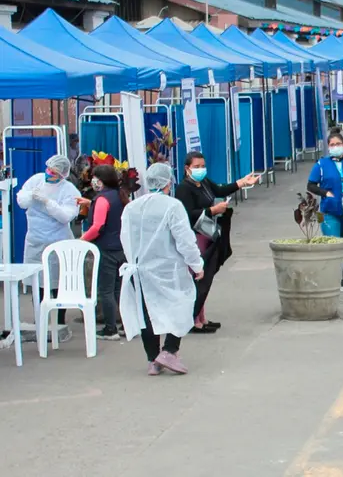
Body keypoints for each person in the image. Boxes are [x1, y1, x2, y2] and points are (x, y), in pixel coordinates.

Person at [119, 163, 205, 376]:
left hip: (140, 269)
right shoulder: (172, 206)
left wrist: (134, 262)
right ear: (169, 182)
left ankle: (153, 359)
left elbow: (125, 238)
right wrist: (196, 264)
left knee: (147, 313)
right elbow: (184, 239)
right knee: (182, 306)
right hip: (169, 269)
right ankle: (169, 350)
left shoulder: (132, 207)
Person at [174, 152, 258, 333]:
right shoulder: (183, 189)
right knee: (199, 277)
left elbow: (220, 190)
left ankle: (201, 317)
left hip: (209, 234)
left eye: (202, 166)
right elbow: (187, 214)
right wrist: (212, 210)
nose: (200, 169)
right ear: (187, 169)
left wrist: (242, 182)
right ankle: (193, 319)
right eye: (196, 167)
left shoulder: (203, 182)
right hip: (196, 236)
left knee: (207, 276)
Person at [17, 154, 81, 331]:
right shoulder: (36, 180)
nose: (49, 174)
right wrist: (31, 195)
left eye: (54, 173)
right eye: (49, 170)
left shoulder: (69, 191)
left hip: (58, 241)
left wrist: (48, 203)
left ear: (62, 175)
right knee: (38, 282)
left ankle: (59, 322)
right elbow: (21, 201)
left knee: (59, 283)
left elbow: (66, 216)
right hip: (35, 240)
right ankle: (40, 319)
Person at [307, 131, 343, 291]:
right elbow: (310, 185)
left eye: (338, 144)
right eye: (332, 145)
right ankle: (331, 278)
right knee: (333, 245)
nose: (335, 147)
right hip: (328, 212)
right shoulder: (321, 165)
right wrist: (325, 193)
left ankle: (339, 276)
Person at [79, 165, 128, 341]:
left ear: (101, 179)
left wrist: (81, 241)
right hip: (121, 248)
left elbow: (98, 226)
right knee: (117, 289)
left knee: (105, 290)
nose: (92, 180)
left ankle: (110, 329)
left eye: (94, 177)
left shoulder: (102, 199)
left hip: (106, 249)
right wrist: (89, 203)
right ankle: (124, 325)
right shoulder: (120, 195)